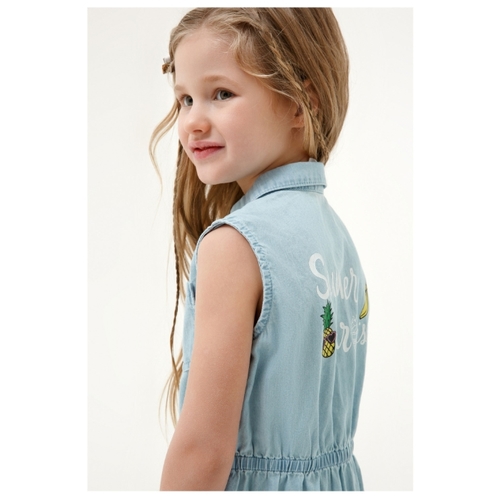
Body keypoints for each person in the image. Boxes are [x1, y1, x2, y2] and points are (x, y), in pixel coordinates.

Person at [149, 7, 369, 491]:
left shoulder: (233, 246)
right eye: (185, 99)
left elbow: (203, 450)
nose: (192, 122)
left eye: (221, 94)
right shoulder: (336, 238)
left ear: (299, 104)